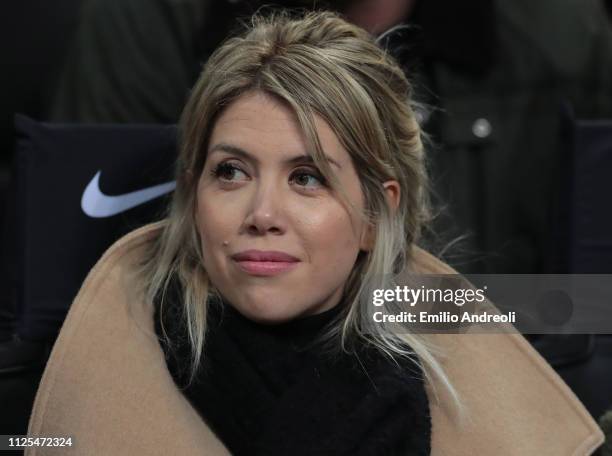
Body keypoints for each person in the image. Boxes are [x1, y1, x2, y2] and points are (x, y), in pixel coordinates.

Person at [27, 11, 603, 455]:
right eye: (230, 171)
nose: (262, 212)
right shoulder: (109, 359)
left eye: (306, 178)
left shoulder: (456, 357)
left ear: (376, 218)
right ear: (192, 193)